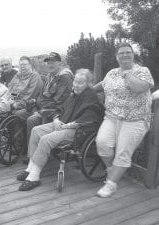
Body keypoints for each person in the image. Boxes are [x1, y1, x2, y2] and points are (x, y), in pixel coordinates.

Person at [17, 69, 104, 191]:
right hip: (63, 123)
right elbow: (60, 110)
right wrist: (56, 120)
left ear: (88, 84)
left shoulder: (91, 96)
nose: (76, 85)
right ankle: (30, 168)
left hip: (78, 130)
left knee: (45, 139)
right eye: (75, 82)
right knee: (36, 131)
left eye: (80, 83)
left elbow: (90, 117)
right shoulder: (73, 95)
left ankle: (34, 176)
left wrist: (68, 125)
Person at [94, 42, 154, 198]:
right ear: (116, 56)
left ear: (133, 55)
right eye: (121, 53)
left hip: (135, 119)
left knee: (123, 152)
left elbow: (139, 88)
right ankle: (113, 171)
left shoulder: (142, 71)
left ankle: (111, 184)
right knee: (102, 144)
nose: (125, 55)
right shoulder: (112, 73)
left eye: (128, 52)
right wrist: (86, 89)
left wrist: (127, 73)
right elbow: (103, 85)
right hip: (112, 117)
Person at [15, 52, 74, 142]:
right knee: (19, 113)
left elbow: (58, 101)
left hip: (55, 112)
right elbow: (42, 95)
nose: (49, 65)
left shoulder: (64, 78)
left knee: (32, 120)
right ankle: (23, 144)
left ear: (60, 64)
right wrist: (35, 102)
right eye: (48, 63)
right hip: (42, 108)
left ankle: (33, 150)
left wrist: (38, 109)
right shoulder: (50, 76)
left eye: (53, 63)